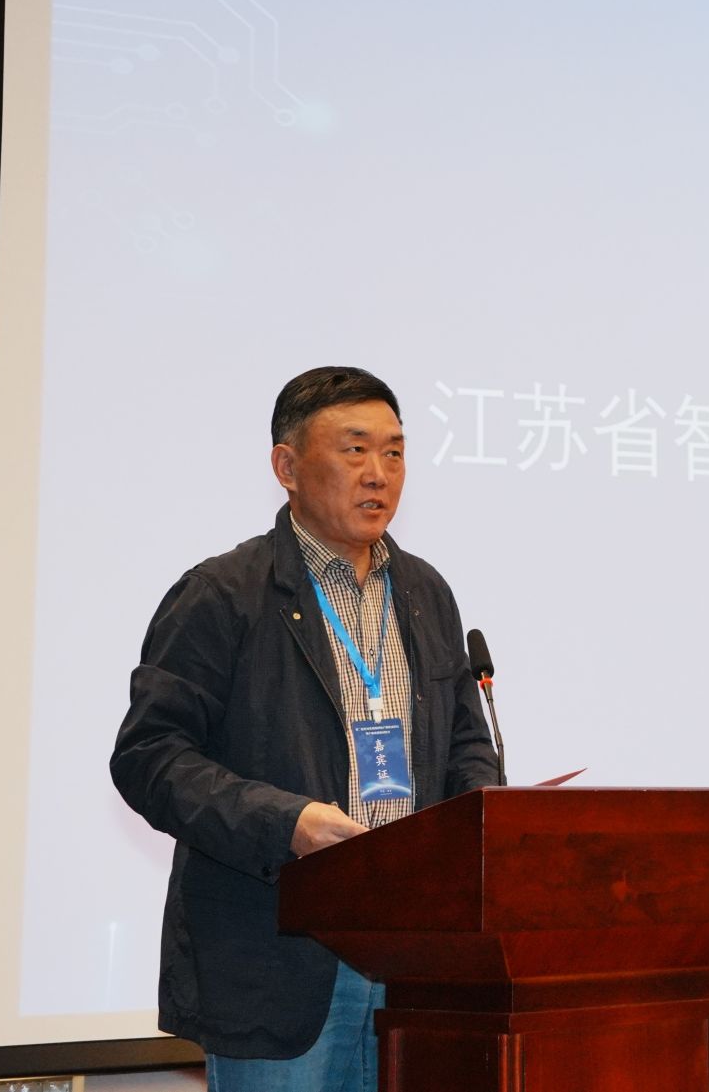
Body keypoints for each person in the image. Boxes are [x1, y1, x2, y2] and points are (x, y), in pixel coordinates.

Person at [109, 366, 499, 1091]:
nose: (379, 473)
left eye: (394, 451)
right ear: (286, 467)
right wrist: (286, 822)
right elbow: (150, 756)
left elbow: (464, 743)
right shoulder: (224, 593)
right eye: (355, 450)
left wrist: (484, 815)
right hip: (279, 956)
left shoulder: (424, 592)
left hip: (415, 956)